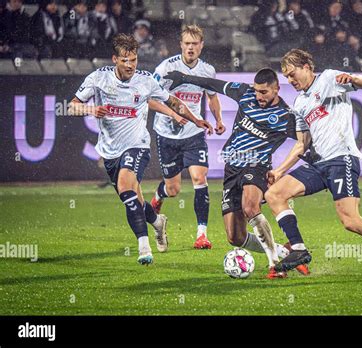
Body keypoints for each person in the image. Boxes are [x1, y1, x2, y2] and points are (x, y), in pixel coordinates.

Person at [264, 49, 362, 279]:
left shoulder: (328, 79)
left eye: (293, 75)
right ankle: (299, 249)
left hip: (341, 159)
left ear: (307, 67)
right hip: (318, 164)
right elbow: (301, 144)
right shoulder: (300, 102)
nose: (290, 81)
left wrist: (353, 79)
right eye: (286, 78)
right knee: (274, 194)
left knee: (350, 221)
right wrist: (279, 170)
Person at [67, 33, 213, 265]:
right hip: (110, 151)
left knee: (127, 186)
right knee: (131, 198)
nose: (130, 65)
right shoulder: (98, 78)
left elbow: (172, 101)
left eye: (133, 59)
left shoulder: (145, 80)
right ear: (115, 59)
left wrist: (196, 120)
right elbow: (71, 107)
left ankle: (144, 248)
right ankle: (157, 222)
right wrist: (91, 111)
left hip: (138, 145)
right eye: (125, 60)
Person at [163, 67, 310, 278]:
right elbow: (213, 85)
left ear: (277, 89)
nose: (259, 96)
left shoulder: (286, 116)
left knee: (250, 207)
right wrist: (184, 78)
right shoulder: (245, 93)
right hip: (231, 168)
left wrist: (284, 170)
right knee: (235, 237)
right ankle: (285, 251)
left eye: (264, 92)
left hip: (256, 165)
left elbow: (304, 143)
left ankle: (274, 265)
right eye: (257, 91)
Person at [150, 25, 222, 251]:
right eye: (187, 43)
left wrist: (218, 119)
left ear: (201, 46)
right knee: (173, 189)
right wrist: (173, 114)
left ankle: (202, 235)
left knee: (200, 178)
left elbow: (212, 97)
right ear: (181, 45)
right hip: (166, 132)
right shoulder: (166, 67)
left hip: (193, 132)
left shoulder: (207, 70)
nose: (190, 48)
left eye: (195, 44)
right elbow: (150, 98)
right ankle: (159, 197)